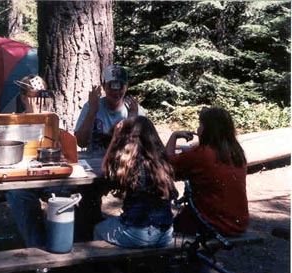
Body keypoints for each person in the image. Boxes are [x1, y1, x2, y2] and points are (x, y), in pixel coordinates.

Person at [73, 65, 146, 241]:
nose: (116, 91)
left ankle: (130, 230)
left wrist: (133, 118)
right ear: (104, 87)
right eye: (112, 86)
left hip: (123, 168)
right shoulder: (92, 106)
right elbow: (81, 141)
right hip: (94, 168)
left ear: (126, 86)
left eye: (120, 86)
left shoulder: (135, 109)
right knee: (89, 196)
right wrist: (92, 110)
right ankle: (88, 237)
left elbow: (141, 146)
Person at [4, 74, 69, 248]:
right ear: (24, 98)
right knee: (20, 196)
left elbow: (64, 151)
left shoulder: (53, 120)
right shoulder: (14, 120)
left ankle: (64, 242)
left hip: (50, 175)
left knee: (69, 194)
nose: (40, 100)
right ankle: (37, 250)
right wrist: (32, 117)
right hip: (24, 178)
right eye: (35, 96)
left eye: (43, 95)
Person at [93, 116, 176, 248]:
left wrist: (115, 138)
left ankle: (107, 268)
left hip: (138, 234)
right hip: (165, 233)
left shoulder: (129, 165)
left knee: (98, 228)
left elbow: (105, 169)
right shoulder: (161, 162)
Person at [165, 107, 249, 236]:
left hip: (213, 224)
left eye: (200, 125)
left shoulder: (202, 154)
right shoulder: (236, 152)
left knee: (165, 227)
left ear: (208, 129)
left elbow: (166, 165)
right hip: (238, 224)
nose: (198, 130)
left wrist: (174, 136)